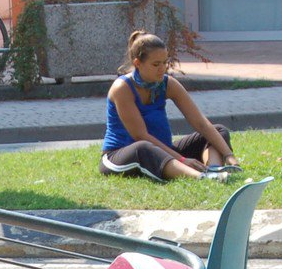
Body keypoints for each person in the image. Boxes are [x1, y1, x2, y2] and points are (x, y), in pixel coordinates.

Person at [101, 31, 240, 183]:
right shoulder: (122, 88)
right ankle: (202, 178)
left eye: (165, 62)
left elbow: (200, 122)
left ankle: (214, 170)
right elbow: (140, 135)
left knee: (218, 130)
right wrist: (181, 159)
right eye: (155, 64)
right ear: (137, 63)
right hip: (121, 156)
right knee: (143, 146)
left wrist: (228, 155)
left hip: (164, 151)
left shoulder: (168, 84)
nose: (162, 69)